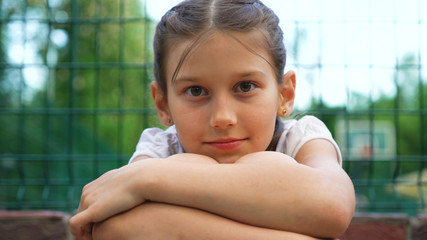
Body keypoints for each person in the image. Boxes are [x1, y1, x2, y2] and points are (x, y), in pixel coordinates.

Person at [69, 0, 355, 239]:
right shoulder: (160, 148)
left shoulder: (301, 138)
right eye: (196, 91)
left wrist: (150, 180)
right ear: (163, 103)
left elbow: (333, 205)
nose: (222, 118)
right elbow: (115, 229)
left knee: (268, 165)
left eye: (245, 87)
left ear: (285, 94)